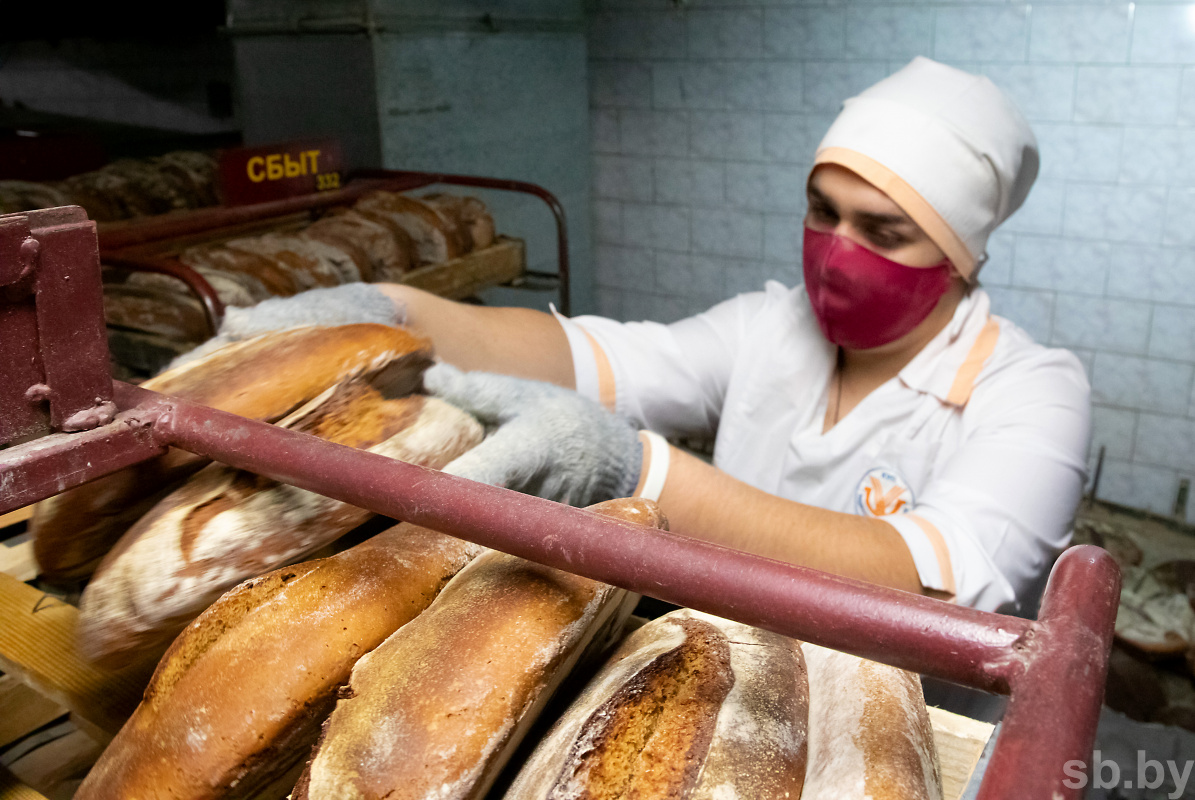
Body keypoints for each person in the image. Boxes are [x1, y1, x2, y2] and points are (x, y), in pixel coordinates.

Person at [208, 57, 1091, 622]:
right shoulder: (769, 329)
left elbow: (928, 575)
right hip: (736, 680)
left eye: (884, 231)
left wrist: (641, 475)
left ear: (960, 257)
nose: (837, 254)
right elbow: (594, 359)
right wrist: (393, 311)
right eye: (822, 213)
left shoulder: (1034, 392)